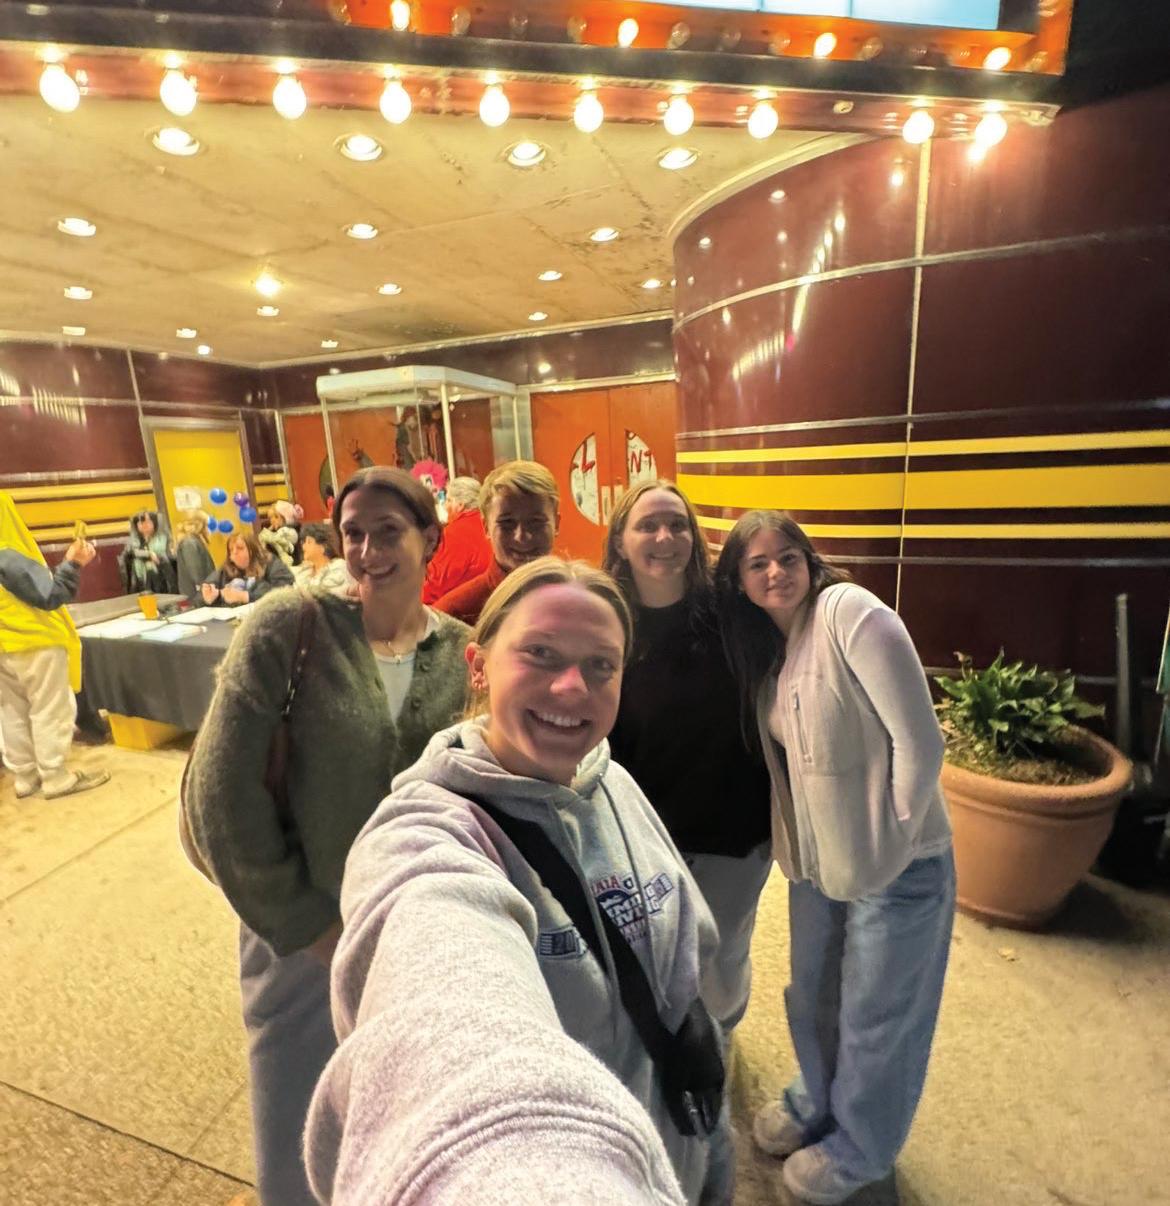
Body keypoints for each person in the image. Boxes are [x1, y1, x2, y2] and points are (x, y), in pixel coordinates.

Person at [307, 557, 722, 1205]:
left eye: (601, 665)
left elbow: (678, 934)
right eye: (541, 653)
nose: (572, 688)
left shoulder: (614, 782)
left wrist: (692, 1031)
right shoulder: (427, 836)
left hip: (669, 1152)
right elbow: (447, 1018)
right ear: (478, 666)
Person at [183, 466, 470, 1206]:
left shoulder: (462, 654)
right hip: (298, 935)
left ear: (430, 538)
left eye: (388, 532)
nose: (368, 551)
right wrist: (315, 929)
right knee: (298, 1123)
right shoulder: (290, 626)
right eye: (353, 533)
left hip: (408, 939)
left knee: (399, 1115)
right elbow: (221, 800)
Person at [714, 511, 955, 1206]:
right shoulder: (769, 649)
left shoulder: (849, 612)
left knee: (880, 1016)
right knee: (813, 991)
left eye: (788, 556)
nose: (776, 572)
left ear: (810, 560)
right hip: (820, 867)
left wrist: (893, 838)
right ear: (740, 582)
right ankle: (817, 1100)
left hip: (896, 868)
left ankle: (861, 1147)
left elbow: (921, 741)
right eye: (758, 564)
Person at [603, 481, 772, 1034]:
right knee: (653, 957)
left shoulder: (733, 612)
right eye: (648, 525)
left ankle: (719, 1049)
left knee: (721, 958)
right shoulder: (606, 623)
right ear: (621, 540)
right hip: (642, 835)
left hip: (733, 832)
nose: (665, 538)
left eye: (677, 525)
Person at [0, 491, 110, 799]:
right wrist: (73, 563)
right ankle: (55, 776)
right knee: (50, 709)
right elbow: (50, 595)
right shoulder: (8, 556)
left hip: (4, 648)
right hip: (36, 641)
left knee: (13, 712)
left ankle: (25, 777)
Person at [433, 460, 559, 626]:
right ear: (486, 527)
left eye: (536, 522)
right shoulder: (454, 615)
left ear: (557, 523)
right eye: (507, 523)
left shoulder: (582, 602)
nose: (522, 536)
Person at [421, 474, 492, 604]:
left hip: (462, 610)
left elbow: (433, 586)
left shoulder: (455, 534)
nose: (445, 506)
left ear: (460, 505)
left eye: (448, 500)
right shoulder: (490, 525)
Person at [200, 530, 294, 607]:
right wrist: (211, 598)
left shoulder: (270, 562)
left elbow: (285, 589)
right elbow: (200, 595)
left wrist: (246, 596)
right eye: (231, 550)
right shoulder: (225, 569)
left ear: (252, 550)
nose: (235, 552)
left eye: (240, 548)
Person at [120, 509, 176, 594]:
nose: (144, 525)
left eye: (148, 521)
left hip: (162, 580)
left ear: (155, 522)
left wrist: (157, 557)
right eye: (140, 522)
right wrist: (148, 555)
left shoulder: (164, 539)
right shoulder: (133, 542)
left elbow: (168, 557)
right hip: (140, 582)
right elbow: (131, 555)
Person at [293, 522, 348, 591]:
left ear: (323, 546)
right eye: (304, 542)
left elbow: (325, 594)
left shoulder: (338, 566)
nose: (303, 546)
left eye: (309, 542)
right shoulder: (304, 570)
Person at [175, 510, 215, 601]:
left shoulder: (193, 541)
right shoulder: (189, 543)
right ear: (200, 525)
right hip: (197, 595)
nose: (208, 529)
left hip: (199, 593)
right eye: (206, 525)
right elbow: (196, 574)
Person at [259, 501, 301, 568]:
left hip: (291, 566)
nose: (272, 520)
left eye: (276, 517)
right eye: (270, 518)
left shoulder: (289, 531)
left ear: (285, 517)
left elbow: (279, 544)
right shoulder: (274, 531)